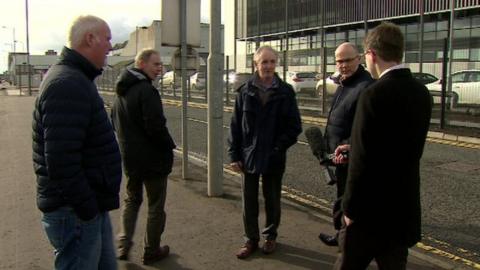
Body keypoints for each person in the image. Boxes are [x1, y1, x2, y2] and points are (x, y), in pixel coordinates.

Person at [334, 22, 432, 269]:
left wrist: (349, 210)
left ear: (371, 54)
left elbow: (362, 162)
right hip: (402, 212)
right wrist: (353, 148)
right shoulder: (421, 93)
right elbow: (396, 147)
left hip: (369, 214)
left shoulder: (373, 94)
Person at [32, 15, 121, 270]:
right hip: (75, 211)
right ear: (89, 38)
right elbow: (61, 160)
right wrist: (87, 208)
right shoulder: (67, 83)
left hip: (86, 206)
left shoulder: (76, 78)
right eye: (108, 39)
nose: (110, 47)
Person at [228, 45, 302, 259]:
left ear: (275, 63)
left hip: (274, 156)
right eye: (264, 62)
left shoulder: (286, 91)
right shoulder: (245, 91)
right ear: (256, 64)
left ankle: (270, 237)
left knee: (272, 199)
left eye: (271, 62)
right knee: (249, 200)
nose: (268, 66)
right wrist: (234, 155)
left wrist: (278, 147)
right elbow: (235, 126)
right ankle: (250, 240)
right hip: (249, 154)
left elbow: (294, 126)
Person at [111, 49, 175, 265]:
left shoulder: (120, 91)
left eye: (160, 65)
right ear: (141, 64)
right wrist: (169, 147)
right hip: (153, 160)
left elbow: (114, 124)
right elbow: (156, 127)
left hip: (130, 159)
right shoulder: (146, 91)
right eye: (155, 64)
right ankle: (151, 250)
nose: (160, 69)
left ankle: (123, 244)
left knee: (131, 200)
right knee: (155, 205)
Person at [318, 42, 374, 246]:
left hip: (351, 155)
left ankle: (349, 242)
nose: (343, 65)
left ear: (358, 59)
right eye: (339, 61)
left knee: (349, 201)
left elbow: (365, 126)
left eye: (348, 60)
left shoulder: (365, 86)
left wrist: (347, 146)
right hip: (338, 154)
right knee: (342, 197)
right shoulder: (345, 83)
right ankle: (342, 236)